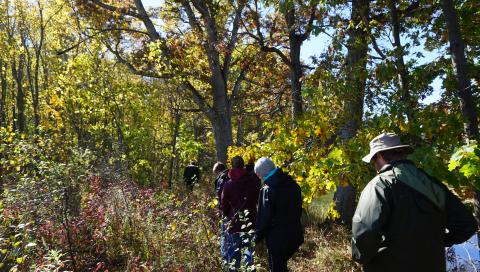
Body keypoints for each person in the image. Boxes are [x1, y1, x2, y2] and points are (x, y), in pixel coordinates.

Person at [352, 132, 477, 272]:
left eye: (373, 160)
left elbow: (364, 233)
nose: (375, 165)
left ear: (379, 156)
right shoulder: (432, 184)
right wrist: (436, 241)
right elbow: (467, 225)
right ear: (403, 153)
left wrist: (361, 258)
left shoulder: (379, 185)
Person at [254, 157, 304, 272]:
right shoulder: (293, 185)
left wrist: (256, 238)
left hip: (277, 240)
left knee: (277, 268)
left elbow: (264, 219)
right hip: (294, 236)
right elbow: (298, 211)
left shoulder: (267, 191)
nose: (259, 178)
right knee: (282, 265)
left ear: (262, 174)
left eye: (259, 175)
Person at [221, 156, 261, 270]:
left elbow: (224, 205)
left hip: (234, 222)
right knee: (249, 252)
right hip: (250, 220)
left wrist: (226, 217)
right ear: (243, 165)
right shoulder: (253, 181)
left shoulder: (228, 184)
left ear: (231, 166)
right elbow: (258, 198)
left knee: (234, 253)